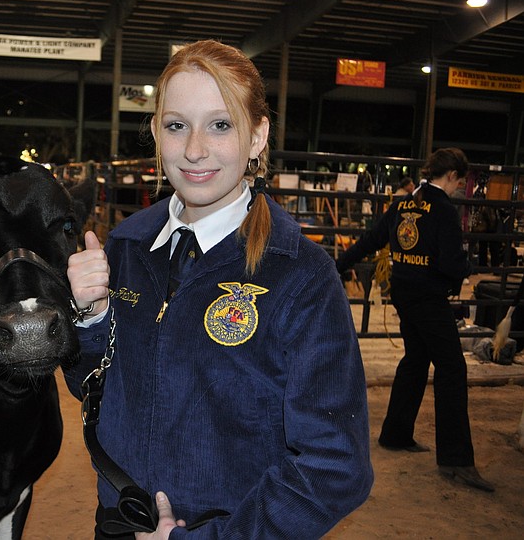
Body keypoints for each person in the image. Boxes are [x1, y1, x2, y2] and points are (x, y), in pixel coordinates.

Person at [65, 39, 373, 539]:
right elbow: (93, 391)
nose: (194, 150)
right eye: (177, 125)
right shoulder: (125, 246)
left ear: (257, 137)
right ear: (155, 133)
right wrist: (92, 320)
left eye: (221, 124)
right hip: (121, 525)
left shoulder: (301, 276)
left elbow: (336, 466)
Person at [336, 147, 495, 493]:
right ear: (452, 175)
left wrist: (337, 264)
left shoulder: (404, 203)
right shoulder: (443, 211)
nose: (460, 190)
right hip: (430, 298)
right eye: (460, 182)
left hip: (404, 293)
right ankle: (456, 459)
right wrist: (466, 270)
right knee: (452, 369)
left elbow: (372, 239)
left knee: (416, 360)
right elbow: (452, 264)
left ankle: (396, 433)